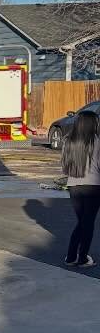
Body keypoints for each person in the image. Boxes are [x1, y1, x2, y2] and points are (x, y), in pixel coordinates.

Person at [62, 109, 100, 268]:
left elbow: (64, 166)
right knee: (87, 223)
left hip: (74, 186)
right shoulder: (97, 141)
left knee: (82, 222)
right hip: (93, 185)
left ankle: (71, 256)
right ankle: (82, 258)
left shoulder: (68, 141)